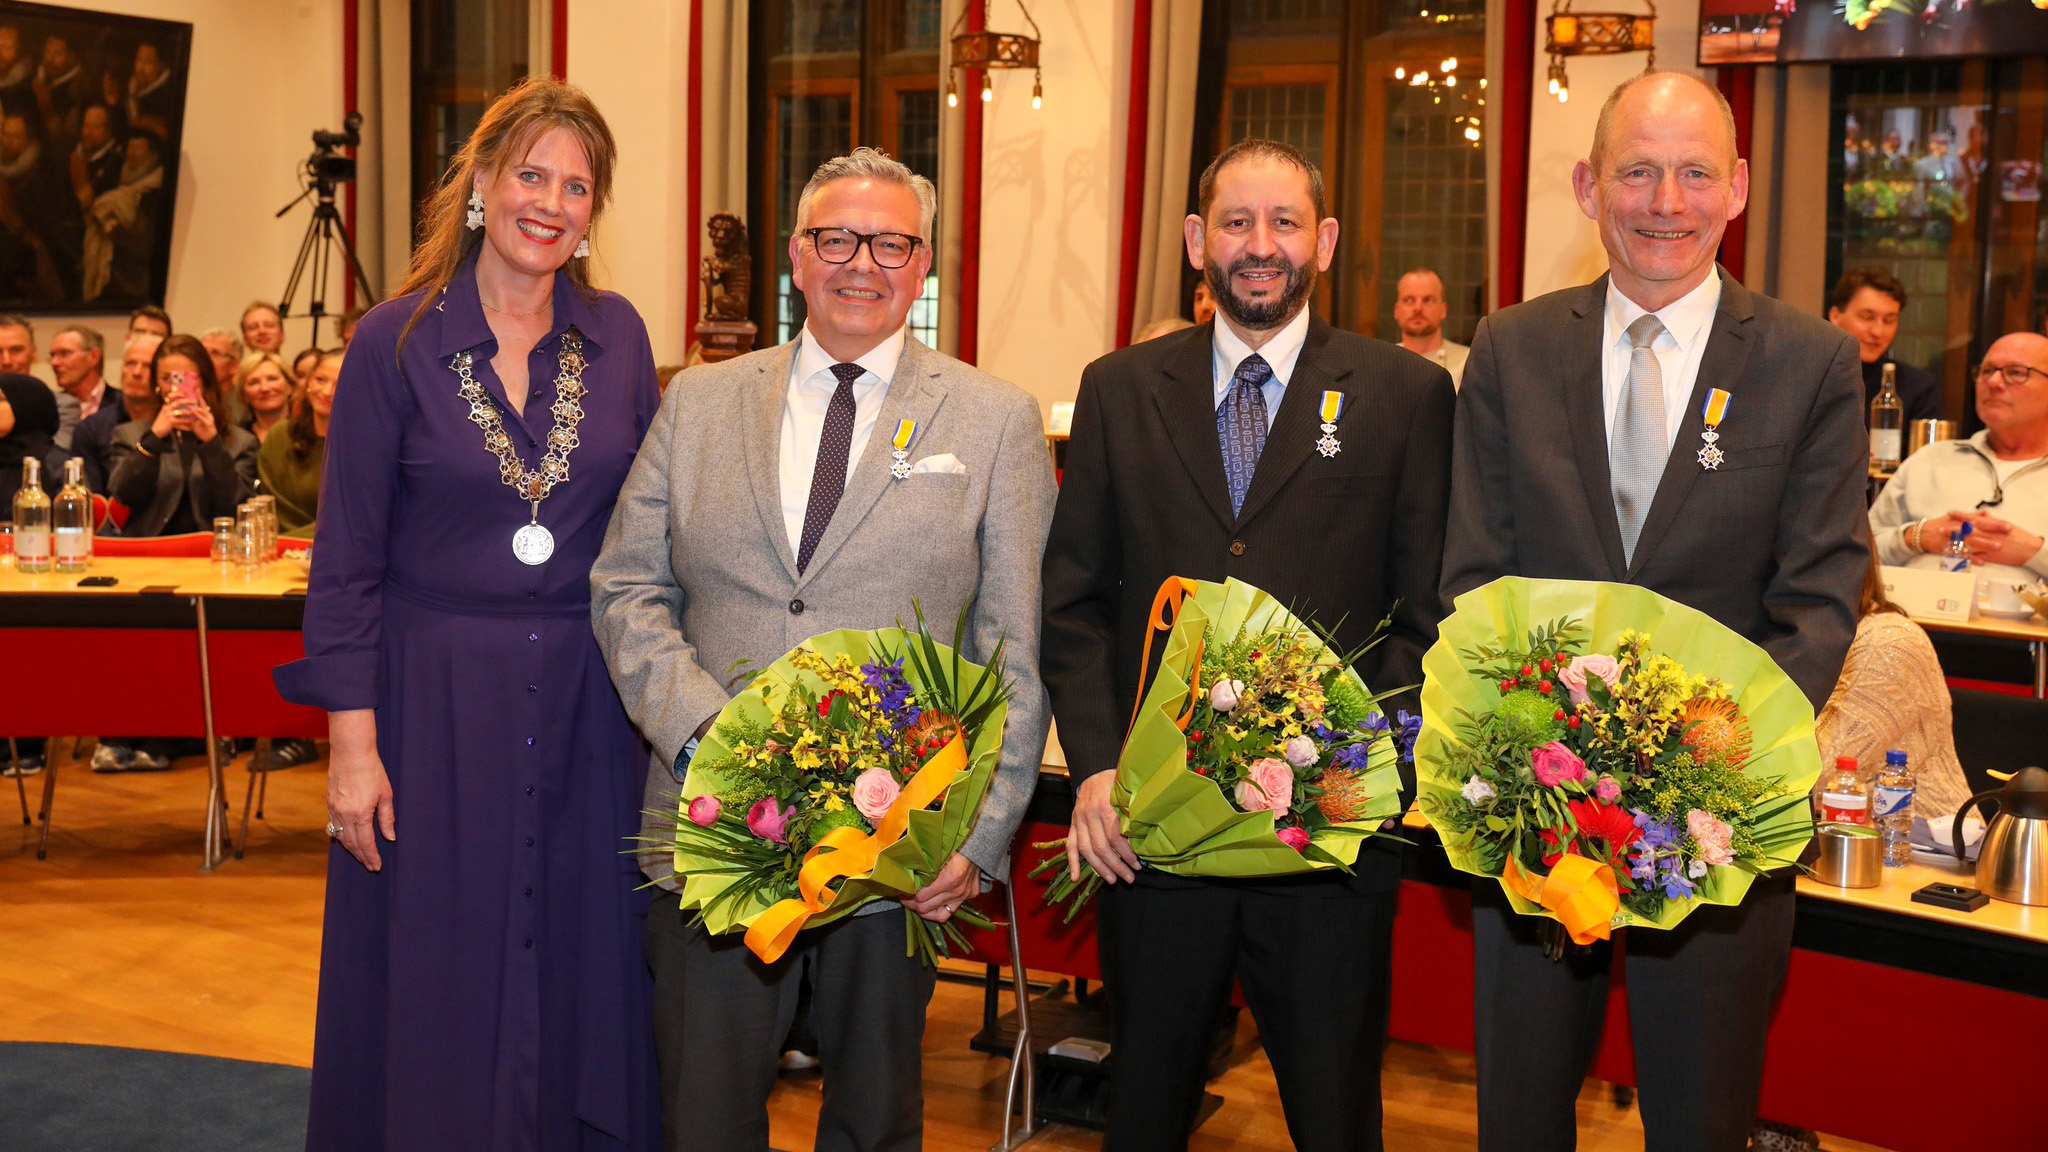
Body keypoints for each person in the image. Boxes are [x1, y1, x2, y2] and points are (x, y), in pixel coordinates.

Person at [590, 145, 1054, 1152]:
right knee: (703, 1121)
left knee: (875, 1122)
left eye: (890, 243)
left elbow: (1016, 646)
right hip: (715, 820)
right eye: (836, 238)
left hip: (899, 843)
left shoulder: (993, 420)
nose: (861, 263)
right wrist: (711, 730)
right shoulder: (698, 402)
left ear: (923, 265)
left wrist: (977, 838)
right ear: (797, 258)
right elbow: (626, 583)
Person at [1439, 72, 1868, 1152]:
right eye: (1635, 170)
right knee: (1520, 1120)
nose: (1662, 200)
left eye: (1690, 172)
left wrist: (1697, 770)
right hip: (1538, 815)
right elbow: (1472, 575)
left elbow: (1816, 597)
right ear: (1589, 187)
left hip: (1717, 820)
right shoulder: (1509, 348)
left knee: (1697, 1120)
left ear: (1735, 188)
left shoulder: (1809, 361)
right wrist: (1550, 760)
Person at [271, 76, 660, 1152]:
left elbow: (652, 534)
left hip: (590, 707)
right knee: (435, 959)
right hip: (431, 704)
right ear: (483, 183)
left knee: (584, 953)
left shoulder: (620, 338)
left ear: (593, 211)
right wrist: (353, 749)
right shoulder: (390, 343)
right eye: (530, 172)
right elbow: (343, 562)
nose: (551, 200)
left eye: (576, 185)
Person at [1041, 138, 1453, 1152]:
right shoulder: (1115, 388)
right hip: (1153, 835)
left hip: (1324, 845)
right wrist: (1096, 770)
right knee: (1144, 1110)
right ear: (1195, 240)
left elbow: (1427, 615)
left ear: (1324, 239)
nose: (1257, 246)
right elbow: (1073, 603)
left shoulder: (1402, 397)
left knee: (1332, 1112)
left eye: (1280, 223)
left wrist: (1348, 762)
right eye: (1234, 222)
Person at [1869, 331, 2048, 588]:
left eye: (2016, 372)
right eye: (1987, 371)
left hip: (2024, 626)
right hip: (1912, 621)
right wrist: (1915, 537)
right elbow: (1858, 554)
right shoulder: (1930, 460)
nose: (1994, 382)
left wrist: (2034, 552)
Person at [1816, 548, 1972, 819]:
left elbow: (1819, 777)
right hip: (1843, 839)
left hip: (1918, 846)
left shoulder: (1888, 641)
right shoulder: (1803, 638)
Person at [105, 333, 257, 536]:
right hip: (149, 550)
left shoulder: (241, 441)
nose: (175, 388)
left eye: (186, 378)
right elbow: (123, 494)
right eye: (167, 378)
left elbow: (234, 504)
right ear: (156, 384)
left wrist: (212, 443)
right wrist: (153, 439)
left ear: (204, 380)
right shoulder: (128, 434)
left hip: (213, 550)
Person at [1827, 266, 1941, 424]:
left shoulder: (1918, 387)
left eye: (1889, 320)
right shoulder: (1811, 376)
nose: (1878, 331)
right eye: (1867, 317)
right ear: (1835, 316)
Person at [260, 347, 336, 536]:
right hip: (280, 551)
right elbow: (271, 505)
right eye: (320, 380)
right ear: (308, 381)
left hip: (339, 555)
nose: (327, 391)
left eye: (340, 382)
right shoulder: (280, 435)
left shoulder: (367, 444)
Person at [74, 330, 158, 494]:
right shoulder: (92, 427)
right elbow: (90, 497)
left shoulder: (172, 424)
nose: (136, 372)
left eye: (147, 366)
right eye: (130, 363)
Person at [1394, 267, 1470, 388]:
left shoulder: (1468, 362)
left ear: (1443, 310)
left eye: (1427, 300)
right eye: (1409, 300)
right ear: (1396, 310)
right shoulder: (1382, 362)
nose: (1418, 308)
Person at [47, 324, 108, 450]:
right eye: (52, 355)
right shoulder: (49, 407)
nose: (54, 363)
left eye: (65, 353)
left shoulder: (121, 405)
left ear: (94, 356)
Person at [236, 349, 294, 444]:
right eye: (254, 382)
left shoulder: (309, 432)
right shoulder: (235, 438)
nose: (264, 388)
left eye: (272, 379)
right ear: (244, 395)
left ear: (290, 386)